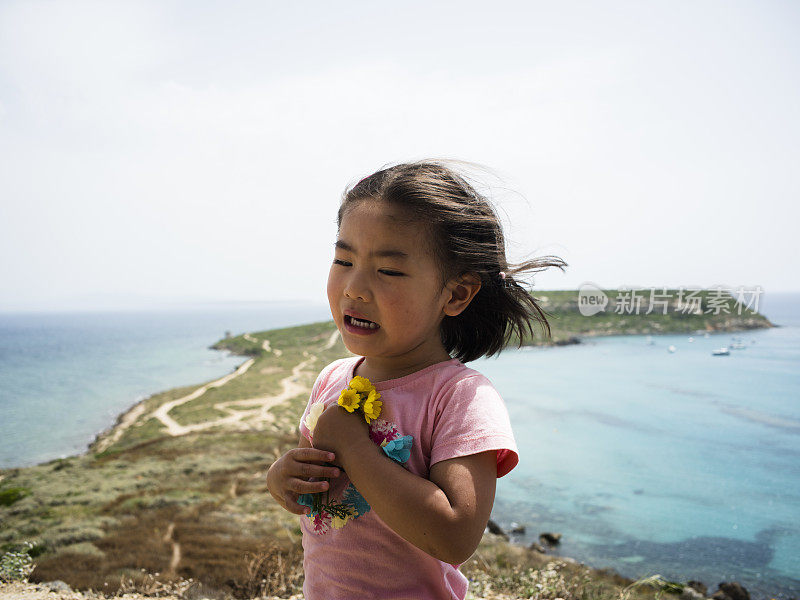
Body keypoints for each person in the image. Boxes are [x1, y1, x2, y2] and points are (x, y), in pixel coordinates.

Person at [266, 160, 566, 599]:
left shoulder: (460, 397)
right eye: (343, 259)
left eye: (388, 270)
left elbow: (455, 538)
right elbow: (319, 490)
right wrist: (282, 480)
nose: (354, 287)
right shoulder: (332, 378)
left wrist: (353, 447)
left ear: (456, 293)